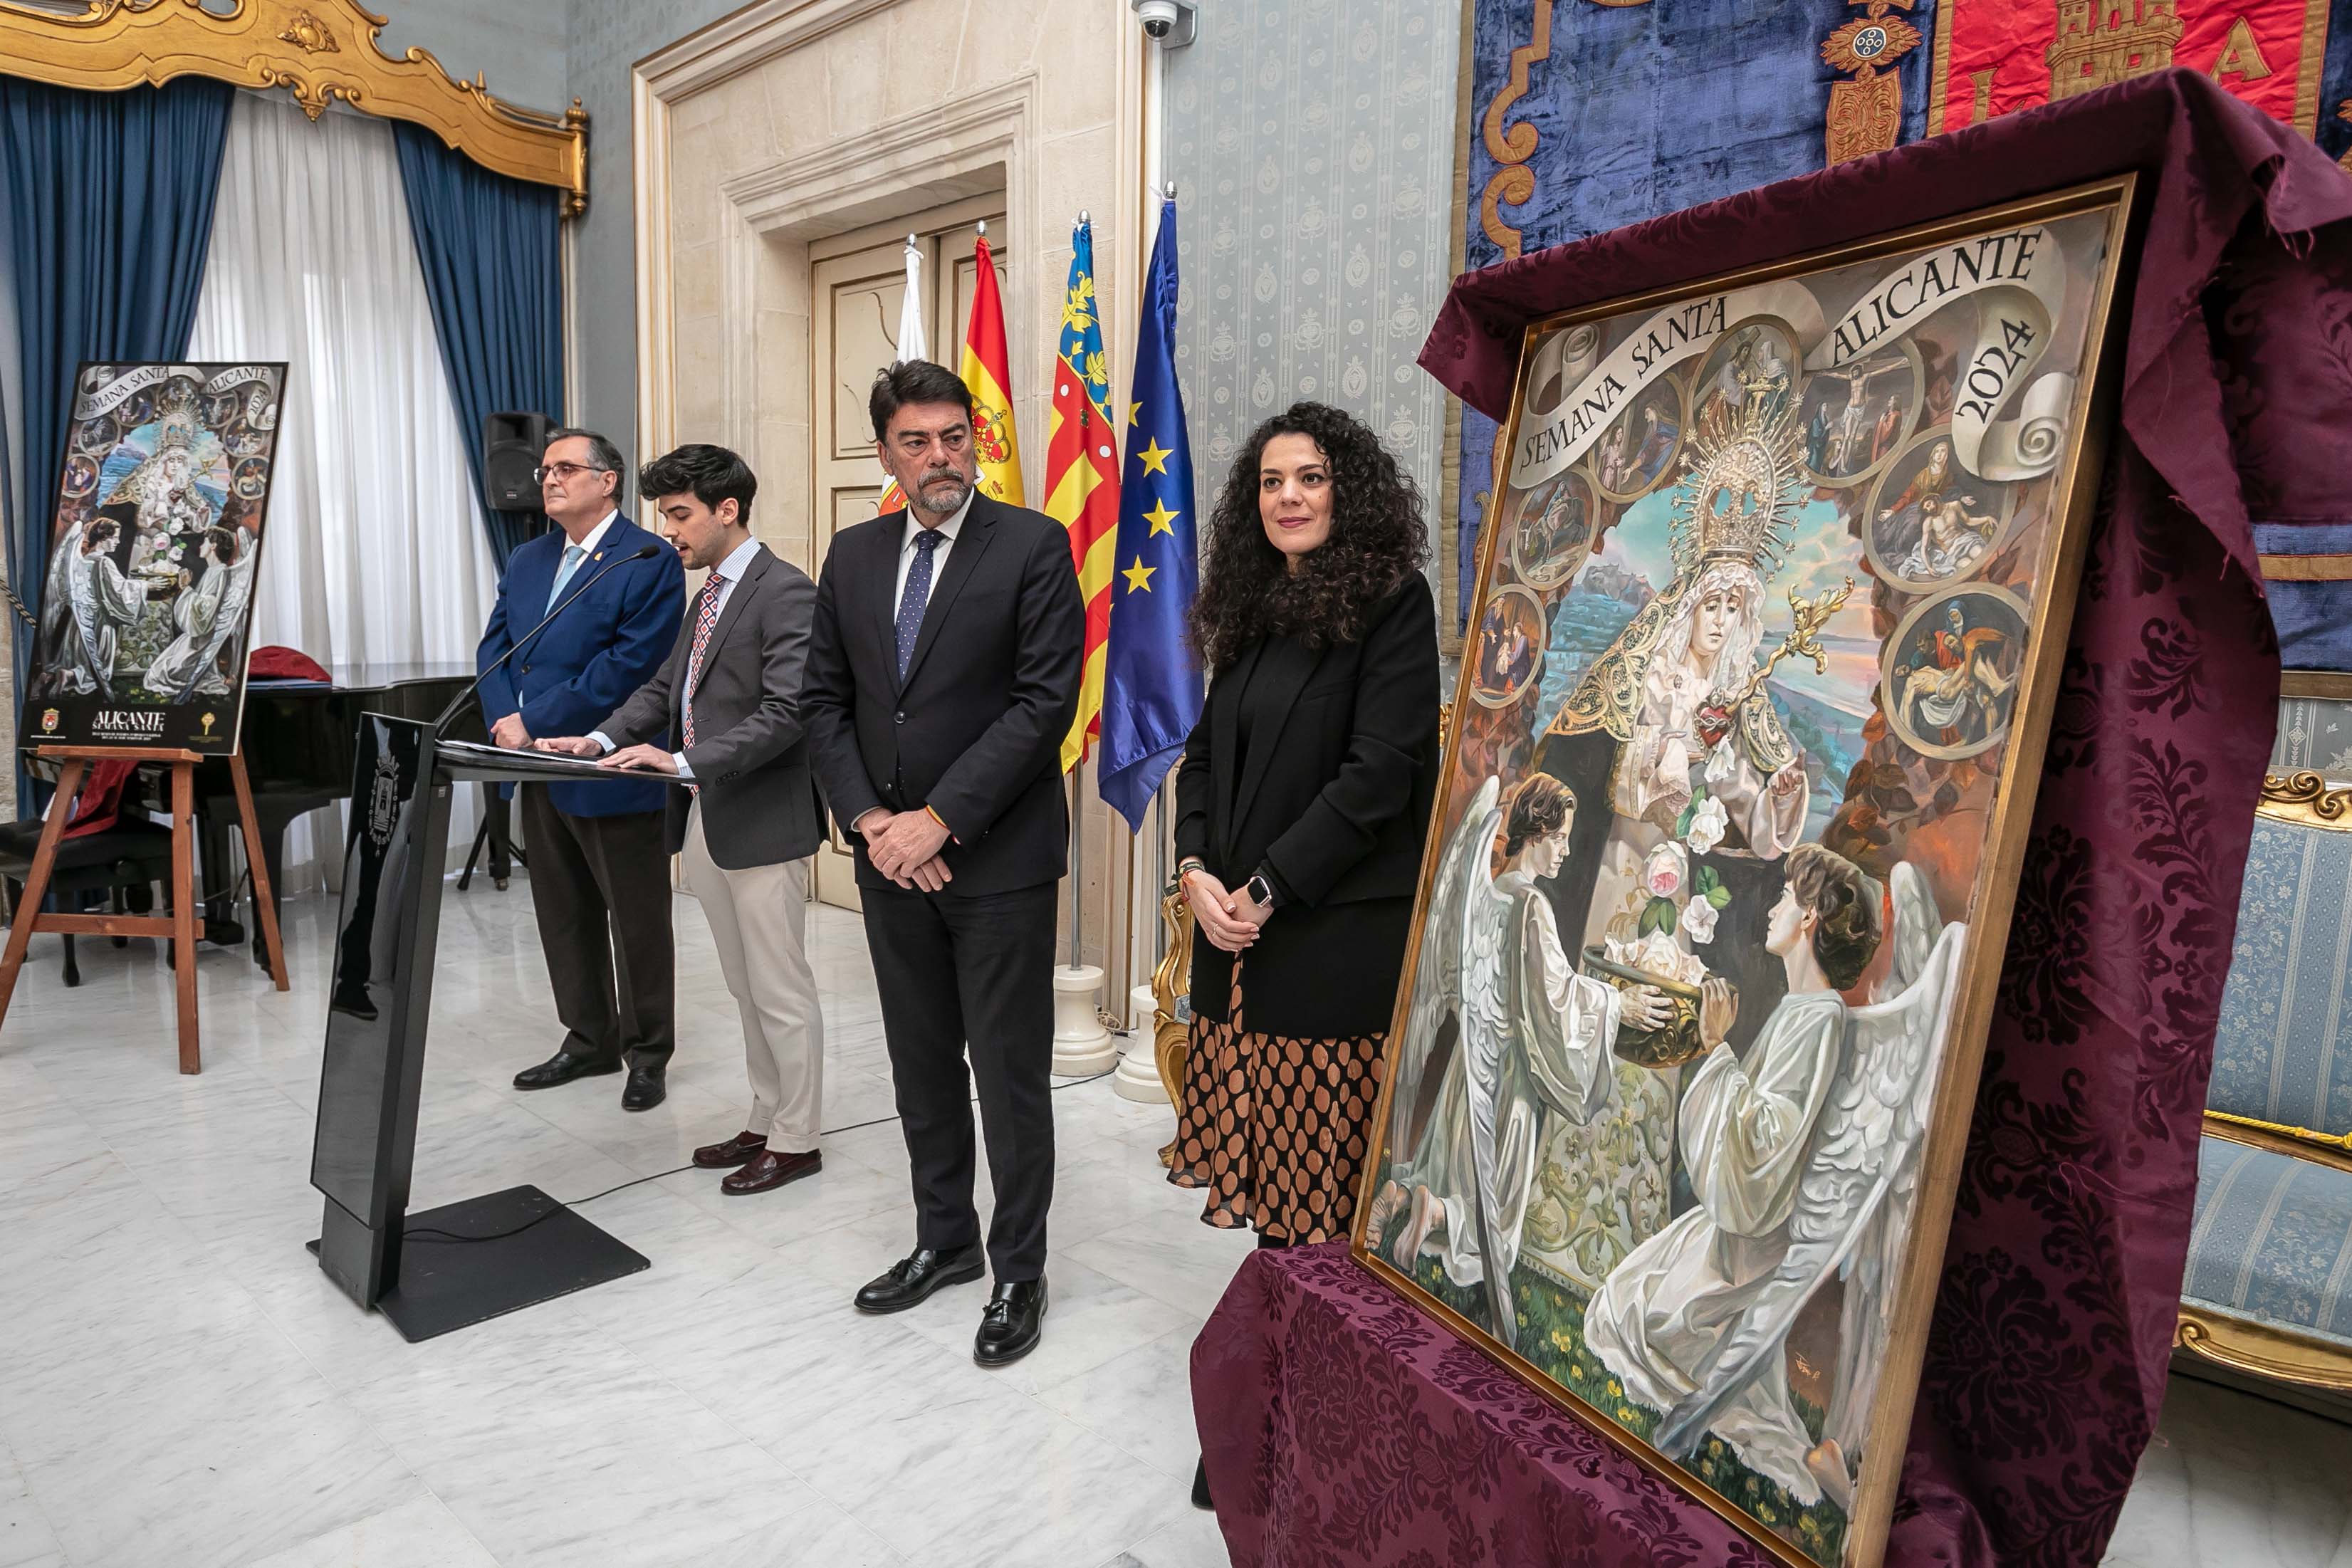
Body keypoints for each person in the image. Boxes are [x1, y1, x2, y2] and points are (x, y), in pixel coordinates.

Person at [1166, 402, 1440, 1507]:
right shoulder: (1250, 605)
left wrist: (1266, 887)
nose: (1288, 495)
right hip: (1230, 941)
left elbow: (1381, 771)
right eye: (1272, 480)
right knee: (1274, 1189)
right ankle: (1262, 1399)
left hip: (1327, 940)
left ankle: (1314, 1411)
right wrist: (1189, 873)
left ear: (1348, 492)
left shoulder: (1390, 602)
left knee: (1323, 1191)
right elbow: (1200, 759)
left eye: (1311, 477)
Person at [803, 360, 1084, 1366]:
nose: (938, 457)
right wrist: (875, 822)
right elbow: (824, 704)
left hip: (997, 862)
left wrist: (938, 820)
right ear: (885, 452)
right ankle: (945, 1241)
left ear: (977, 441)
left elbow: (1042, 704)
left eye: (953, 437)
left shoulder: (1033, 546)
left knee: (1007, 1075)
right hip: (889, 862)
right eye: (915, 441)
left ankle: (1018, 1269)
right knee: (920, 1065)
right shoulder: (853, 554)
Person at [535, 444, 828, 1194]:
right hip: (712, 820)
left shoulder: (785, 591)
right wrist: (599, 737)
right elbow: (664, 689)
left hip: (764, 819)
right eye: (666, 514)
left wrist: (681, 764)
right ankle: (766, 1117)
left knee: (780, 989)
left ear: (728, 510)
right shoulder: (709, 595)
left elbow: (788, 712)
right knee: (742, 985)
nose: (671, 531)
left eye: (680, 514)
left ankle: (798, 1138)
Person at [1582, 842, 1883, 1510]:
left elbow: (1768, 1140)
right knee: (1623, 1306)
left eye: (1784, 898)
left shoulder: (1820, 1016)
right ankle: (1808, 1454)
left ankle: (1813, 1468)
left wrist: (1717, 1048)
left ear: (1808, 918)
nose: (1772, 909)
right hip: (1744, 1216)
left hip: (1755, 1231)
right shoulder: (1803, 1008)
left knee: (1630, 1321)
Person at [476, 429, 686, 1112]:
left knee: (635, 918)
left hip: (610, 761)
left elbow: (629, 667)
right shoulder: (530, 556)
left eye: (566, 468)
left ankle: (647, 1052)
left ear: (608, 480)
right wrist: (510, 722)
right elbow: (497, 646)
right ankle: (588, 1038)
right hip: (535, 761)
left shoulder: (647, 556)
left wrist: (532, 719)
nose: (549, 479)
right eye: (545, 470)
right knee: (562, 910)